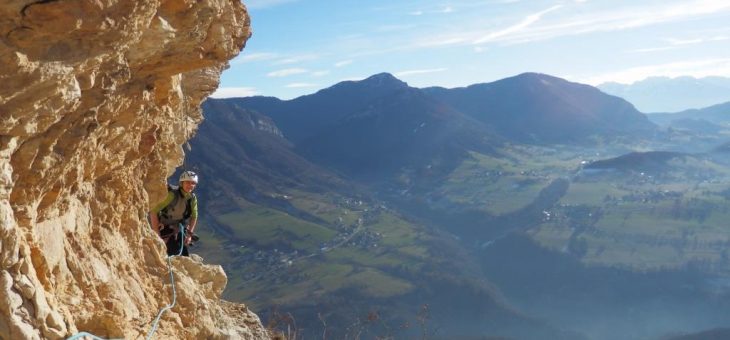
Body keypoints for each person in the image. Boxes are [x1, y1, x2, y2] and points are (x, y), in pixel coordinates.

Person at [149, 171, 199, 256]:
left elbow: (194, 216)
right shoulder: (172, 195)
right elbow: (154, 211)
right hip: (166, 229)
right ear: (181, 183)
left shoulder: (192, 198)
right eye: (187, 182)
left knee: (182, 254)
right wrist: (157, 233)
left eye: (193, 183)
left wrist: (189, 234)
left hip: (179, 229)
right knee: (173, 253)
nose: (190, 185)